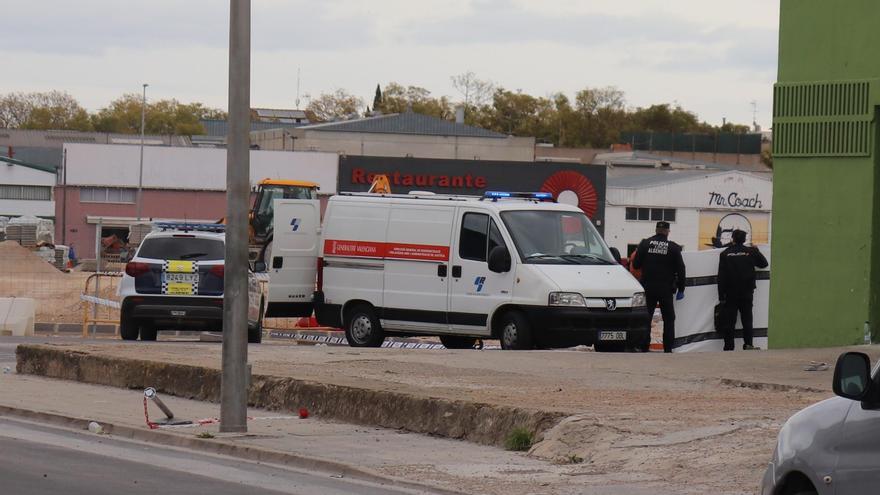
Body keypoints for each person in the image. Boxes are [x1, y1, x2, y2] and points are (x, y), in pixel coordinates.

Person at [633, 221, 686, 353]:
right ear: (668, 231)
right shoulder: (673, 247)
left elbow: (636, 264)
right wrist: (681, 289)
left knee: (646, 318)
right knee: (669, 319)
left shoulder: (645, 244)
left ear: (656, 230)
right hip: (666, 289)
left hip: (648, 287)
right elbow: (681, 269)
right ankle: (668, 348)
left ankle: (644, 346)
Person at [717, 229, 768, 351]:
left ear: (732, 239)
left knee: (730, 321)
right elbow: (764, 264)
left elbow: (721, 276)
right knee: (747, 319)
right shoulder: (750, 252)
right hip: (747, 291)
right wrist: (756, 250)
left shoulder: (725, 253)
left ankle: (729, 346)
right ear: (744, 239)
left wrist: (721, 296)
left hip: (730, 292)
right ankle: (748, 344)